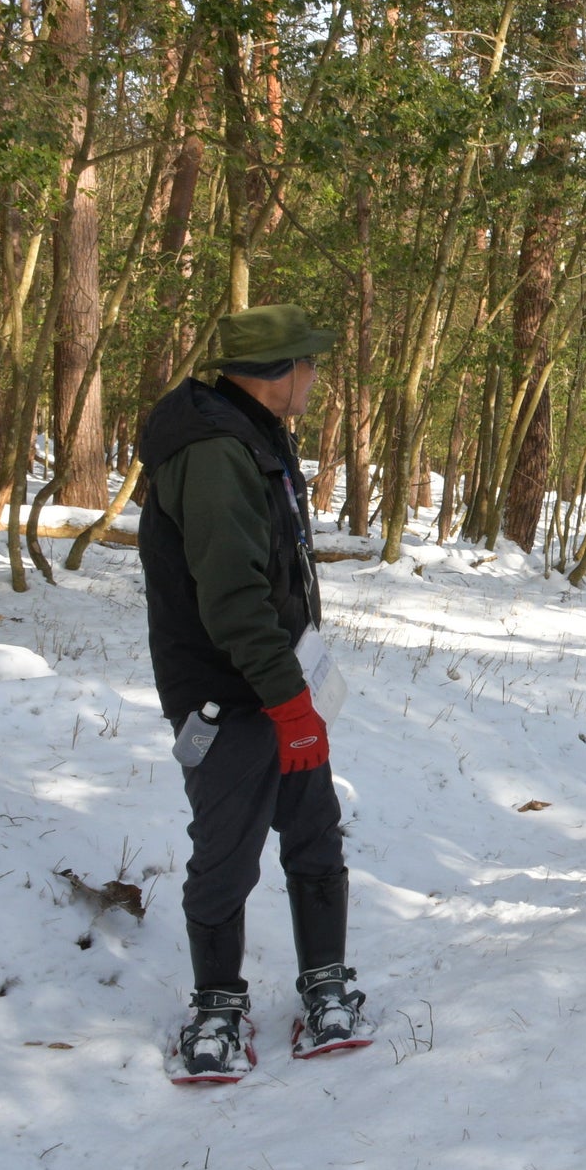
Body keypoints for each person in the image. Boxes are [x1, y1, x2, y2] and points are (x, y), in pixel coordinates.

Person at [139, 304, 368, 1083]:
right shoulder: (213, 450)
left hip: (277, 678)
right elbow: (233, 598)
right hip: (227, 696)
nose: (317, 378)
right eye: (311, 364)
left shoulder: (257, 433)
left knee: (314, 832)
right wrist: (288, 704)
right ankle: (216, 1005)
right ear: (281, 372)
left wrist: (297, 689)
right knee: (227, 850)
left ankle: (326, 982)